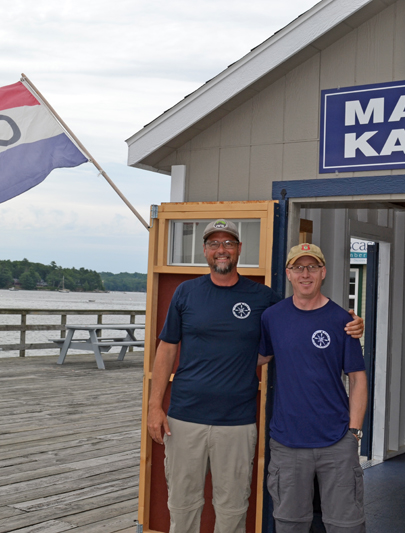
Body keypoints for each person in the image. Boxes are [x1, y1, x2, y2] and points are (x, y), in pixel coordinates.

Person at [147, 220, 364, 533]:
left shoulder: (264, 300)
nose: (221, 250)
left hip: (237, 421)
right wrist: (155, 406)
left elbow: (306, 311)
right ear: (205, 251)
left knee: (233, 506)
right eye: (214, 244)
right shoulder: (185, 293)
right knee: (182, 504)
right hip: (184, 418)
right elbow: (166, 349)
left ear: (239, 250)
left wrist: (352, 322)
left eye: (228, 244)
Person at [258, 243, 367, 533]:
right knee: (290, 525)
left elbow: (357, 378)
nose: (305, 274)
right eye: (298, 267)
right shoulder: (272, 317)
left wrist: (354, 432)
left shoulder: (343, 321)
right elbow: (259, 356)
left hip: (336, 441)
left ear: (323, 272)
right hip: (287, 443)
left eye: (312, 267)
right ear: (288, 274)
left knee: (346, 525)